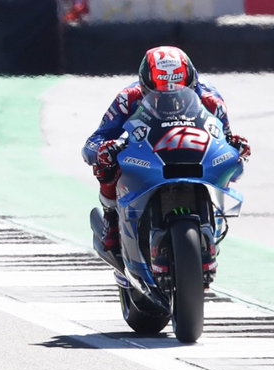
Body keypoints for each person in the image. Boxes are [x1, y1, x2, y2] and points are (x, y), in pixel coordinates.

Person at [82, 46, 249, 255]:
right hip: (148, 150)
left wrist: (236, 147)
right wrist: (104, 149)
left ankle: (213, 216)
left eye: (179, 88)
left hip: (192, 149)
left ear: (192, 83)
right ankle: (111, 217)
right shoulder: (128, 98)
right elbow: (94, 141)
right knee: (106, 161)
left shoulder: (211, 99)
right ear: (144, 86)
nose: (171, 95)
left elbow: (224, 138)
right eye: (160, 91)